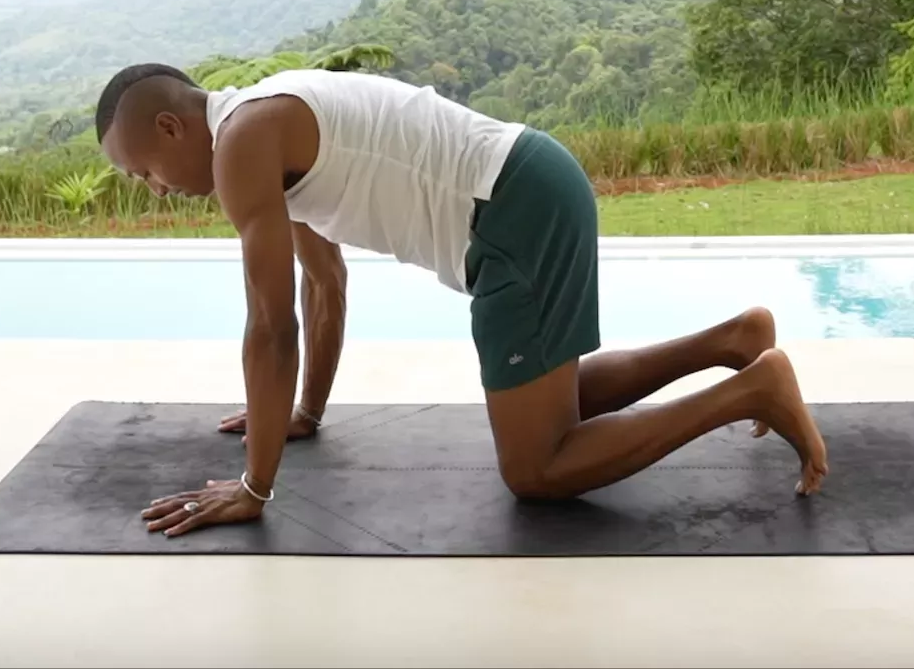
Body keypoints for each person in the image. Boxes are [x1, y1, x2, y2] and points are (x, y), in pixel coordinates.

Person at [92, 62, 829, 538]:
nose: (155, 188)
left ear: (170, 127)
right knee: (555, 404)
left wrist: (255, 487)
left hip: (512, 207)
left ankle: (753, 390)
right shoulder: (262, 124)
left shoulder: (242, 142)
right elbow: (324, 286)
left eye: (143, 171)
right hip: (533, 181)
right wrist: (304, 415)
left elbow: (271, 327)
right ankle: (733, 341)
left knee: (536, 470)